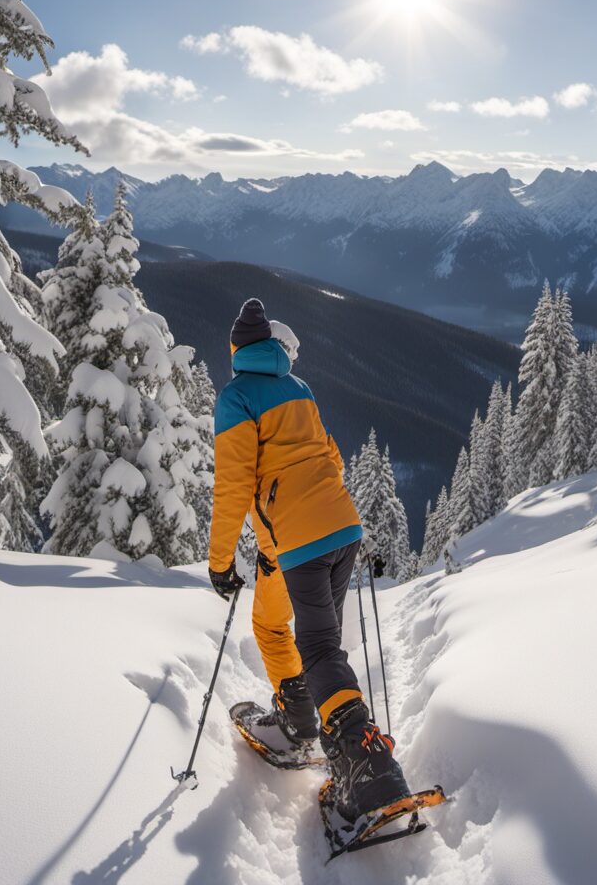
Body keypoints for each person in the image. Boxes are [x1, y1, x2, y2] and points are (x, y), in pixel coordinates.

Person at [207, 298, 410, 821]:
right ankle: (307, 721)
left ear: (236, 351)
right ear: (272, 347)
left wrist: (220, 561)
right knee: (310, 638)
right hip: (342, 530)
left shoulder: (236, 398)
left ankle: (365, 766)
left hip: (298, 543)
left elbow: (232, 486)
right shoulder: (300, 388)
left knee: (316, 646)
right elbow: (332, 456)